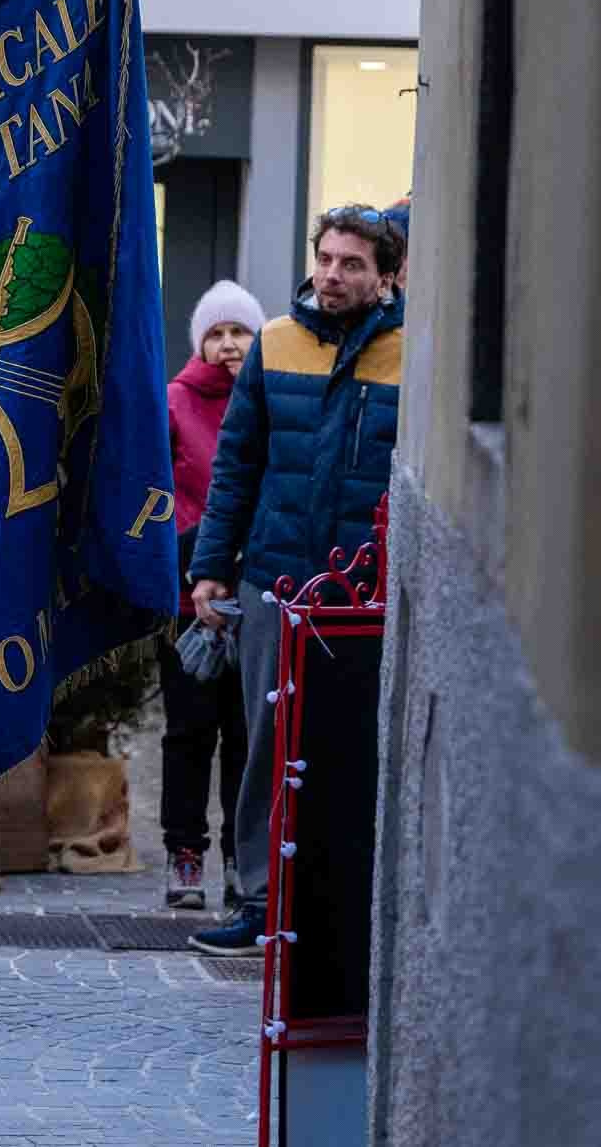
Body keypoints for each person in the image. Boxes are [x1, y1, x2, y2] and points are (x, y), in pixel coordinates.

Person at [185, 207, 404, 956]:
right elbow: (235, 467)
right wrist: (211, 569)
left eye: (353, 263)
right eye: (327, 259)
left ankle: (339, 912)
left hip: (361, 594)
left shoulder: (414, 354)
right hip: (274, 585)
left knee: (350, 749)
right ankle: (257, 900)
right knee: (266, 743)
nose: (335, 274)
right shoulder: (274, 343)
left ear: (385, 276)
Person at [159, 279, 261, 911]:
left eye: (239, 332)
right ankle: (185, 852)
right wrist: (184, 567)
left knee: (247, 734)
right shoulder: (173, 401)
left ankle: (238, 855)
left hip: (254, 589)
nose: (227, 344)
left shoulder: (271, 396)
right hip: (185, 592)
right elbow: (154, 495)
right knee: (189, 730)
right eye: (216, 333)